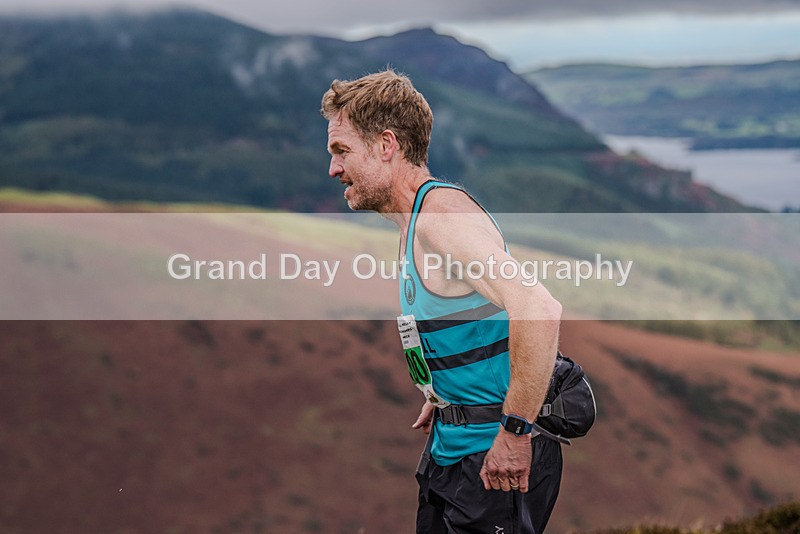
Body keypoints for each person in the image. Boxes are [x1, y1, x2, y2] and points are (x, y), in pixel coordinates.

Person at [321, 69, 563, 533]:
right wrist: (445, 391)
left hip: (492, 455)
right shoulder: (413, 223)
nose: (333, 168)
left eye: (341, 151)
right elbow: (468, 318)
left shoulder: (440, 221)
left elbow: (538, 306)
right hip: (453, 451)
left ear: (386, 145)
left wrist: (514, 433)